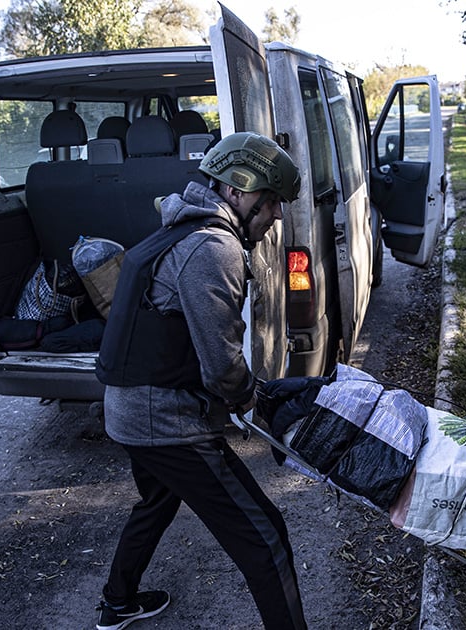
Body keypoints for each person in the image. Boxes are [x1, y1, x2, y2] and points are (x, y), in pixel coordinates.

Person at [93, 132, 307, 630]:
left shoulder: (181, 226)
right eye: (271, 201)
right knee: (265, 537)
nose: (276, 215)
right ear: (237, 189)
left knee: (157, 500)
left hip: (128, 410)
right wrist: (255, 400)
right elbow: (221, 365)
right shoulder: (213, 248)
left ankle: (118, 602)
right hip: (165, 423)